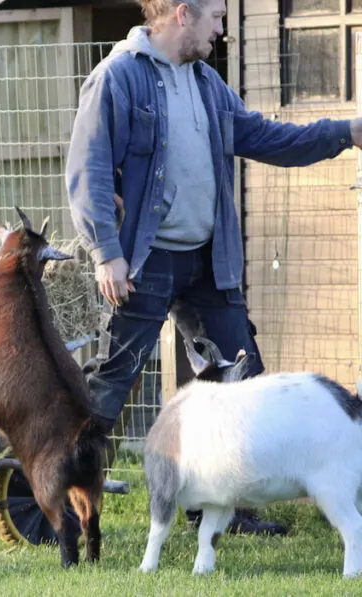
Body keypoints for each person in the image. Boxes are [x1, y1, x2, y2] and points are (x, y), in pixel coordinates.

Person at [65, 0, 362, 536]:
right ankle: (64, 501)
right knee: (113, 384)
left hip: (209, 263)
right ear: (183, 13)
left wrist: (347, 131)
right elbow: (88, 169)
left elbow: (268, 138)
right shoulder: (117, 79)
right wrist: (106, 253)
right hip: (144, 263)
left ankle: (226, 506)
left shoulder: (207, 83)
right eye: (218, 17)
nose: (223, 30)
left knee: (242, 378)